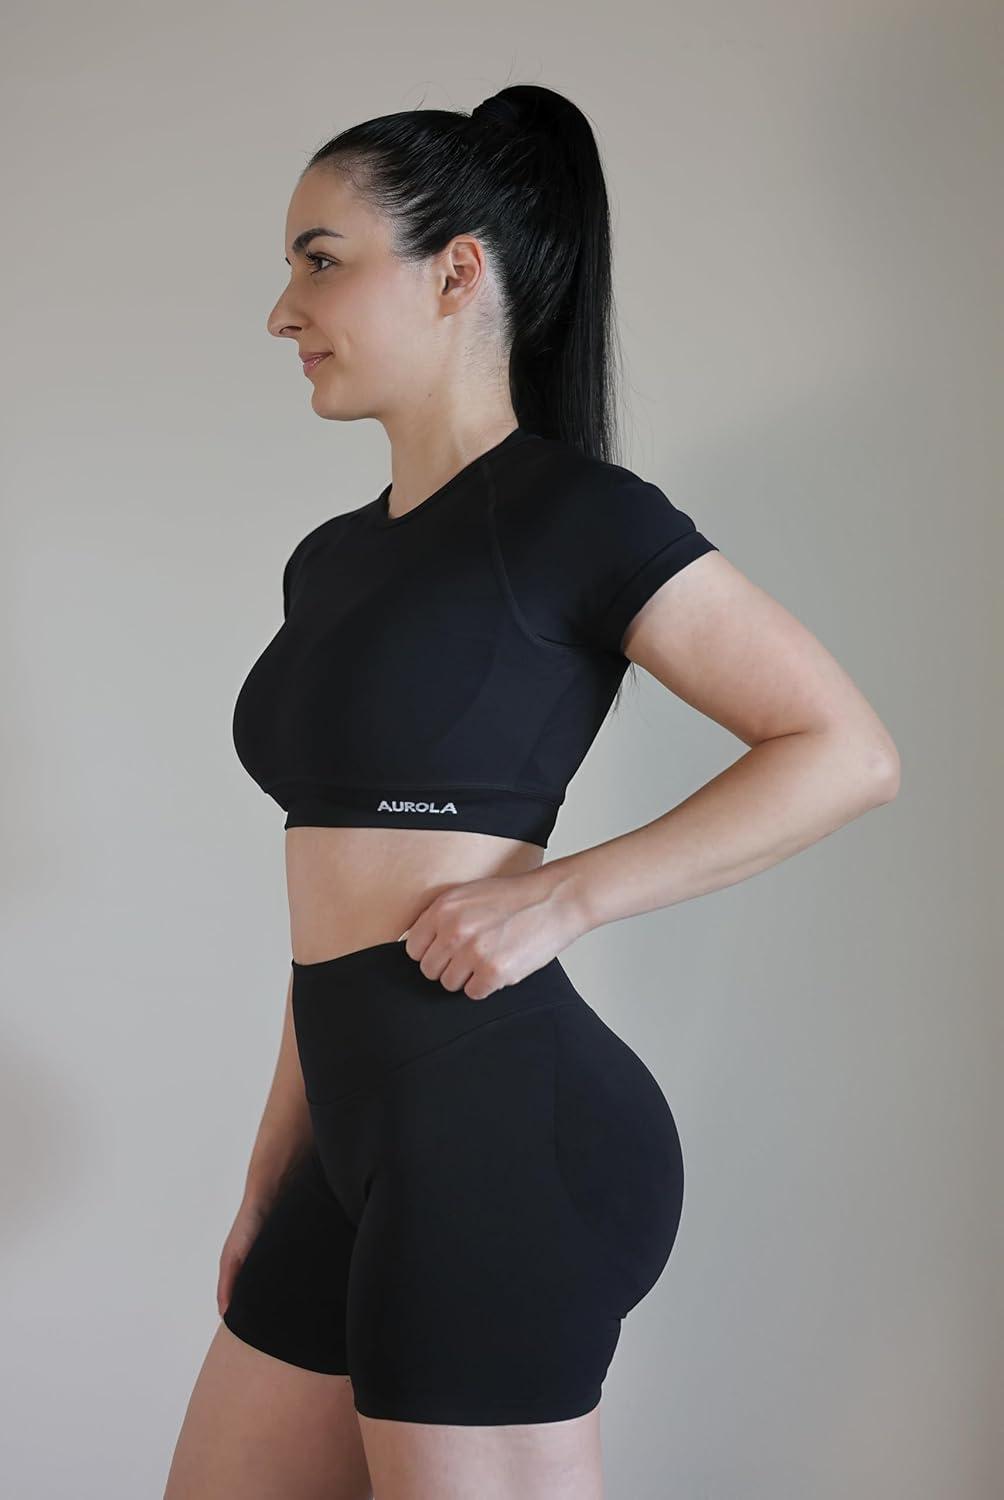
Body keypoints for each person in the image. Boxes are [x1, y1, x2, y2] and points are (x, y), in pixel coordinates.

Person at [163, 84, 900, 1500]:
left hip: (500, 1132)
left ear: (457, 271)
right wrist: (275, 1167)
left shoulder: (579, 517)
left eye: (320, 260)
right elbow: (332, 908)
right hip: (355, 1137)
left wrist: (561, 899)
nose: (282, 310)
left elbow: (843, 750)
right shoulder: (332, 560)